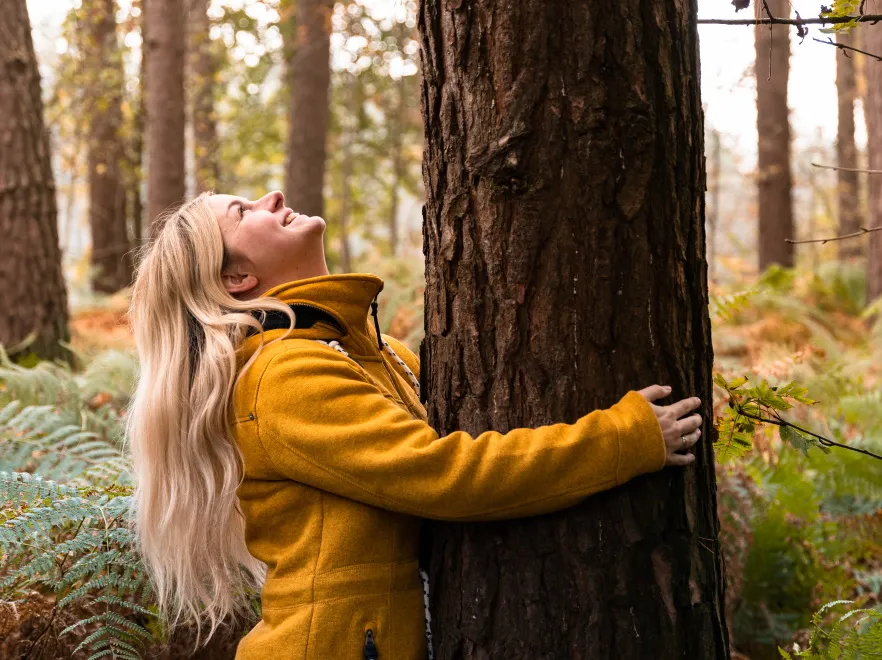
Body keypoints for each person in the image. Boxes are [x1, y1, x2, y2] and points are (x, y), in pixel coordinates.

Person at [127, 191, 702, 660]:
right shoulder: (283, 376)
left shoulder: (371, 352)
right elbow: (446, 473)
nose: (272, 196)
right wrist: (622, 439)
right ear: (237, 279)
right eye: (243, 212)